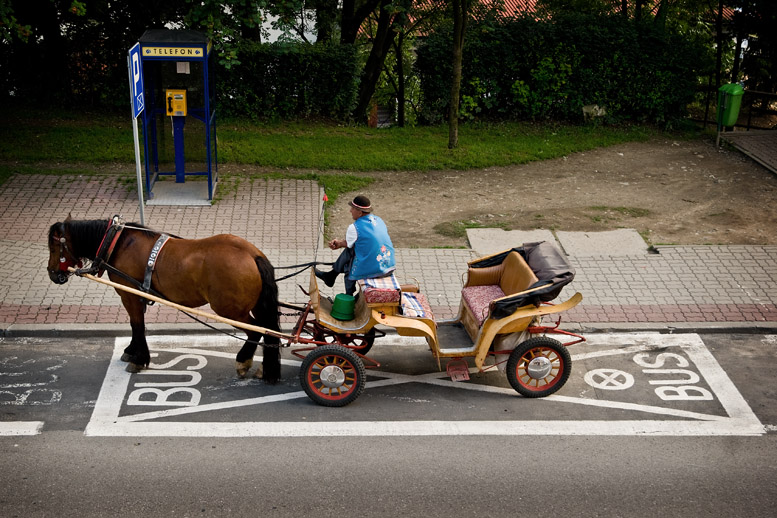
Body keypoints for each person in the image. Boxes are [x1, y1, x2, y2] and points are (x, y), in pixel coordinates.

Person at [315, 195, 395, 295]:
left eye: (352, 208)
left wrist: (339, 243)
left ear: (360, 212)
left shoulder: (354, 227)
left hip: (375, 268)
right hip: (388, 264)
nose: (350, 211)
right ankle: (331, 275)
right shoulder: (379, 220)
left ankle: (348, 295)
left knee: (349, 266)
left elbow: (349, 244)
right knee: (352, 250)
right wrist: (340, 243)